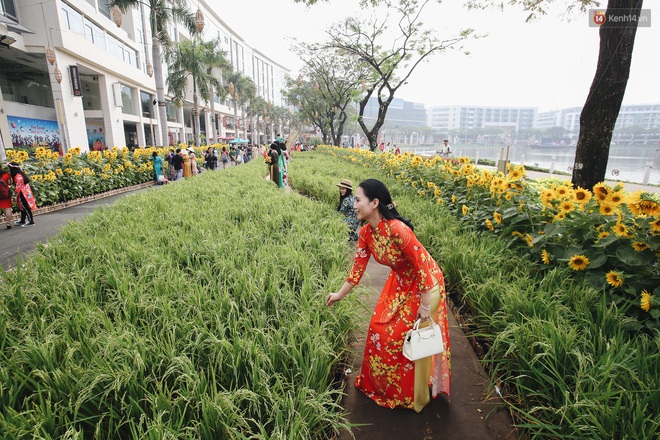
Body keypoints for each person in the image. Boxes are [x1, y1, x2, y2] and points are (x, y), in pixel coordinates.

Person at [326, 178, 450, 413]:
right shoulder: (365, 234)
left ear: (374, 203)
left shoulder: (397, 229)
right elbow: (357, 270)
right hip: (401, 282)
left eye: (358, 199)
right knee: (377, 328)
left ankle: (411, 394)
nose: (354, 204)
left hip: (426, 285)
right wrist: (339, 294)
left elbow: (422, 265)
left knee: (401, 335)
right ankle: (385, 387)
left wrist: (425, 305)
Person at [8, 162, 37, 227]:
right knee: (22, 207)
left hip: (23, 194)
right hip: (24, 193)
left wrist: (15, 196)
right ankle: (22, 220)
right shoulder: (19, 175)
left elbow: (18, 188)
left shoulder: (18, 177)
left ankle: (31, 221)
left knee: (25, 207)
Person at [0, 165, 13, 229]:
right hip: (5, 194)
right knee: (7, 208)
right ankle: (8, 223)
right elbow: (9, 183)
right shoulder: (5, 174)